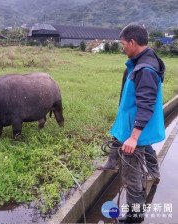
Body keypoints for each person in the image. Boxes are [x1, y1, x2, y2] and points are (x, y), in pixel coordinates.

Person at [100, 23, 166, 223]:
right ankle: (151, 180)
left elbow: (145, 105)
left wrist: (133, 137)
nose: (123, 48)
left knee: (132, 179)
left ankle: (134, 218)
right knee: (136, 170)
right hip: (133, 129)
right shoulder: (146, 60)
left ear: (132, 42)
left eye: (123, 44)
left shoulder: (145, 69)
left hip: (134, 134)